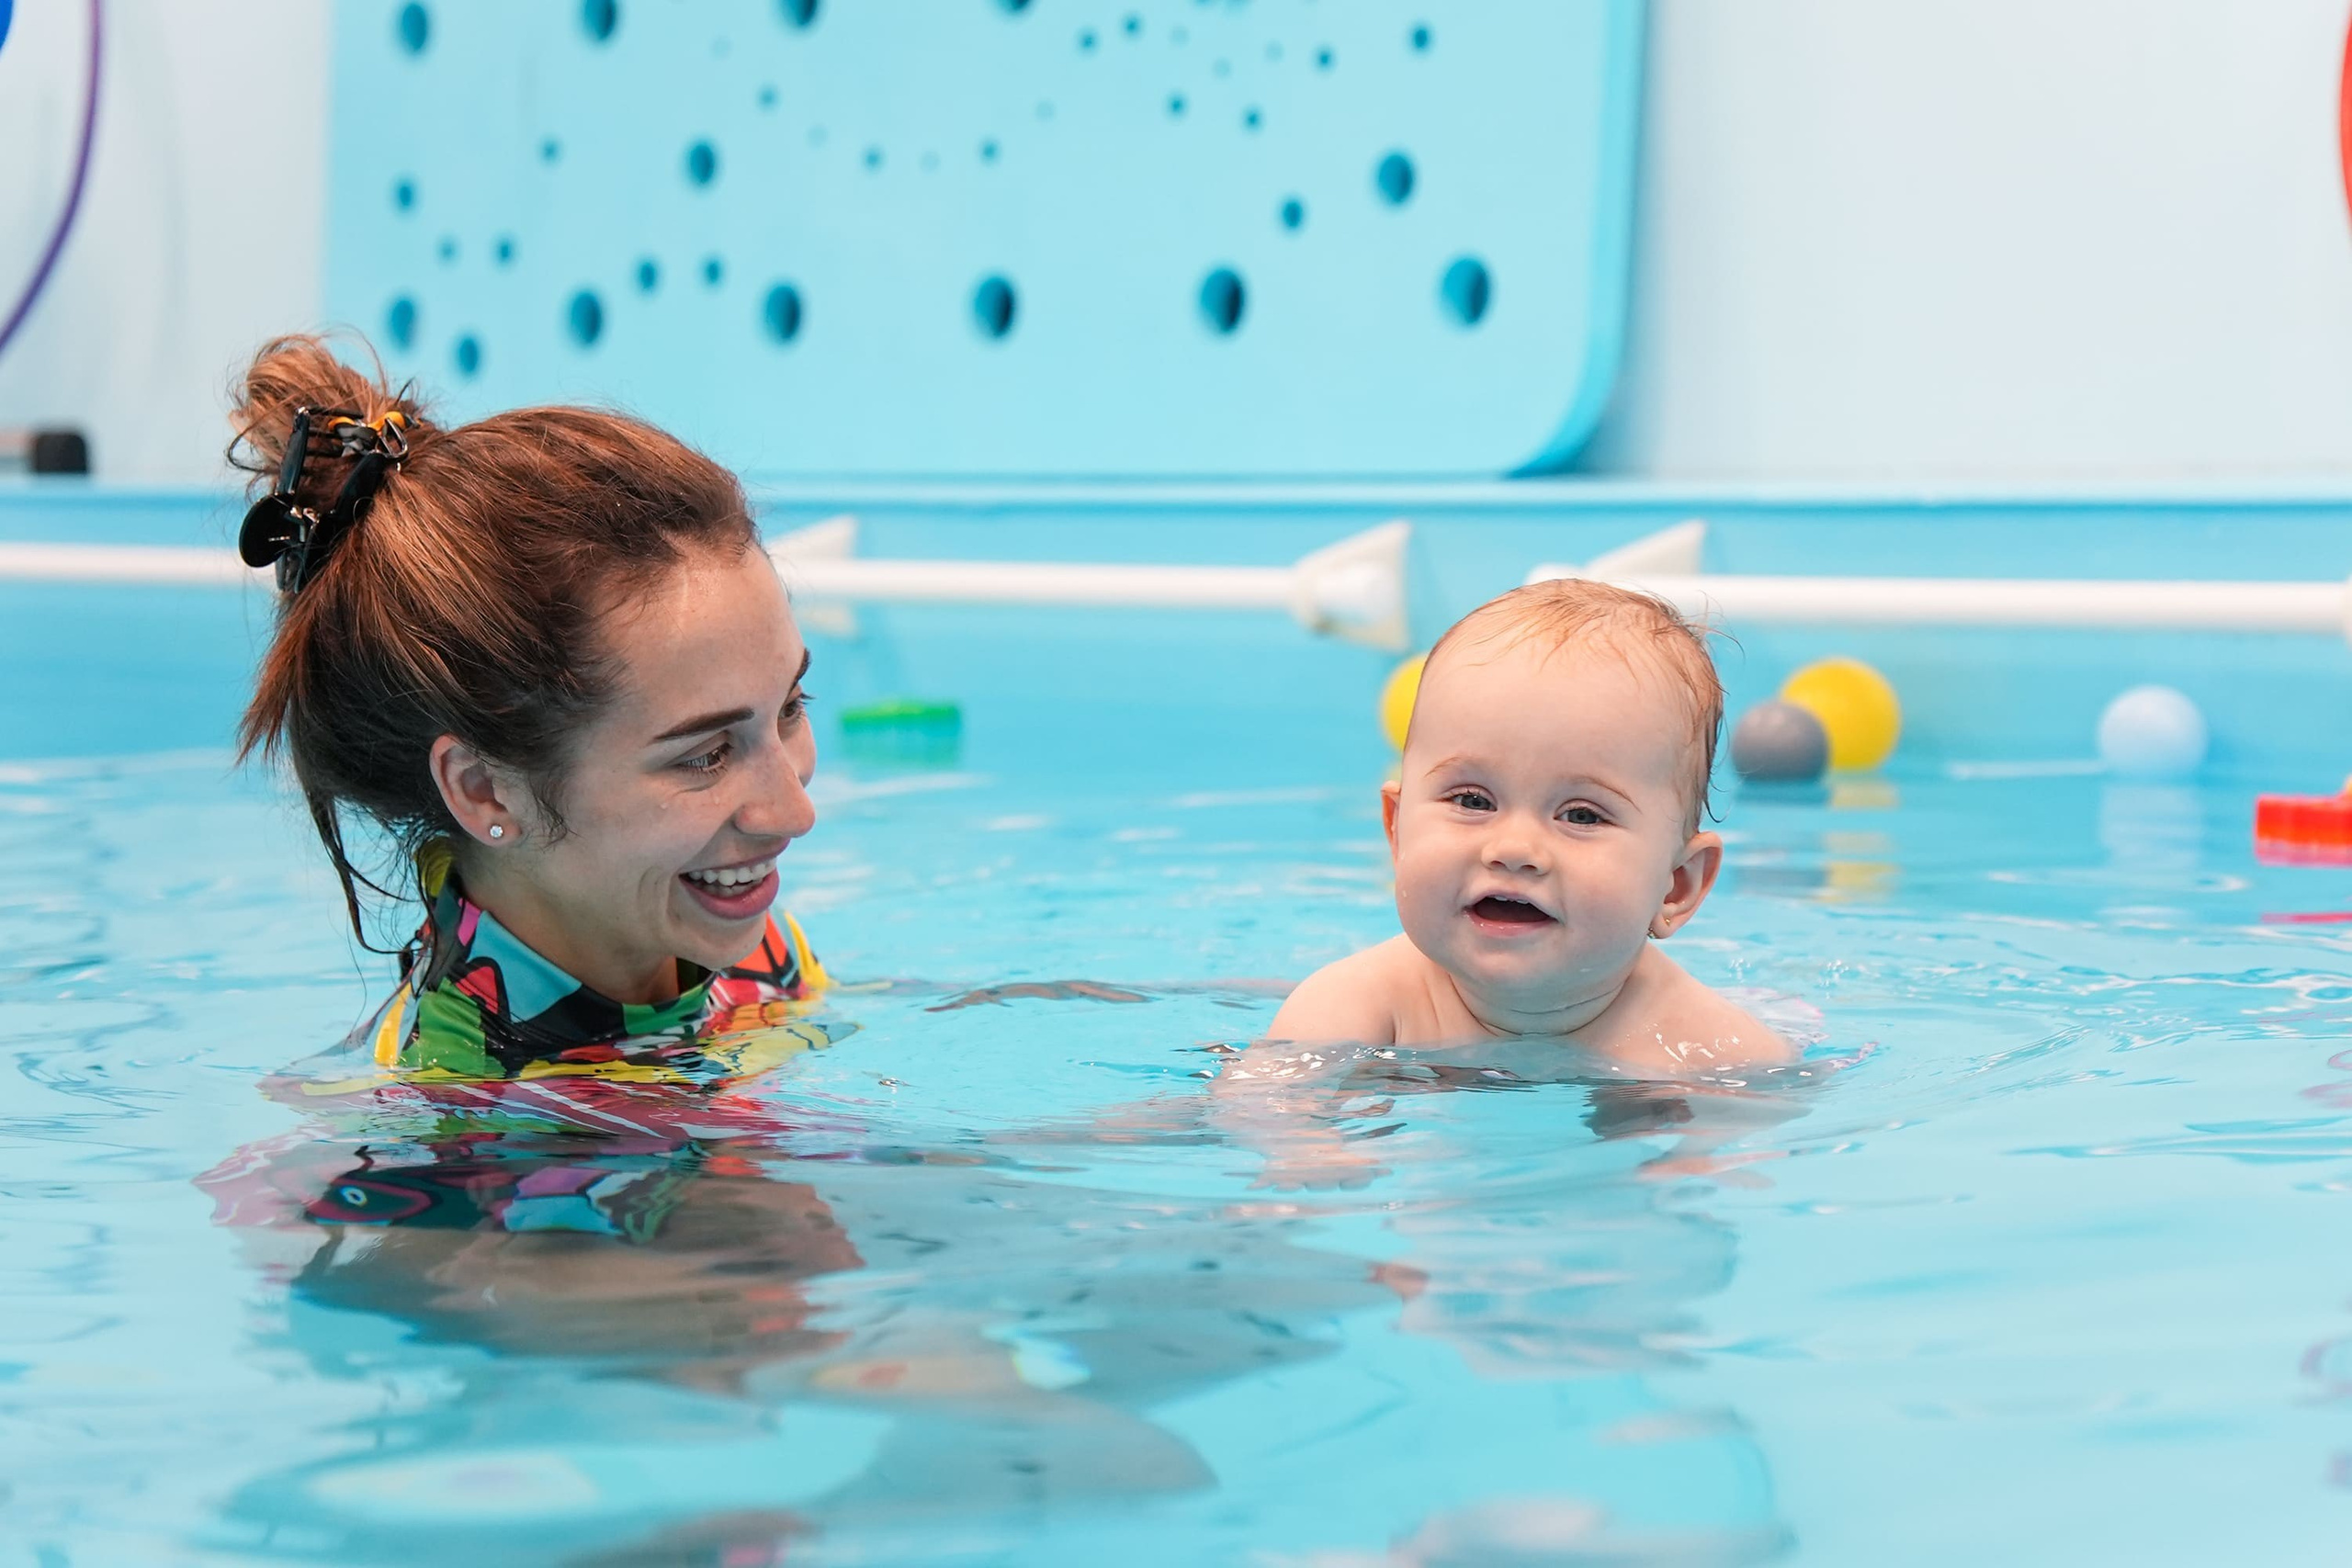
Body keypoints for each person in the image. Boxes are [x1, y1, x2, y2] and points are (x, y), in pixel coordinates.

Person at [229, 333, 826, 1082]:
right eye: (705, 755)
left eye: (790, 707)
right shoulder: (463, 1119)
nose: (793, 811)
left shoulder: (716, 924)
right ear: (485, 788)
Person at [1262, 578, 1791, 1072]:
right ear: (1397, 831)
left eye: (1581, 815)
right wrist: (1305, 1142)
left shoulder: (1713, 1053)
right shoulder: (1358, 1005)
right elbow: (1262, 1105)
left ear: (1676, 885)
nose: (1514, 849)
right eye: (1472, 800)